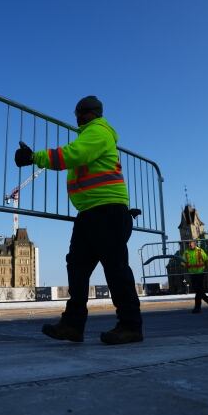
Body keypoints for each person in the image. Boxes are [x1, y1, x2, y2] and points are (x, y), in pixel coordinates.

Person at [14, 96, 143, 345]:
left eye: (79, 112)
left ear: (90, 113)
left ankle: (131, 325)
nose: (76, 117)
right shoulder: (89, 135)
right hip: (92, 213)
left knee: (115, 270)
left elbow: (73, 155)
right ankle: (73, 325)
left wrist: (34, 157)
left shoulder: (98, 132)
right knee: (77, 267)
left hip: (106, 211)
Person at [182, 240, 208, 313]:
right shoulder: (186, 252)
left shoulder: (200, 251)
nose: (190, 245)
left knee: (198, 290)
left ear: (195, 244)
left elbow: (206, 259)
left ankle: (197, 308)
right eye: (188, 244)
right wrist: (182, 265)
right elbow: (183, 261)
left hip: (200, 272)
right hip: (192, 273)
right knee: (199, 291)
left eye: (191, 244)